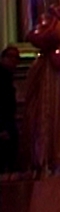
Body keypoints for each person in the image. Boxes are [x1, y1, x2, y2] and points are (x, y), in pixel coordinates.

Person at [0, 46, 21, 179]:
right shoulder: (2, 78)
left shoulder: (7, 76)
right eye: (11, 57)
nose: (14, 61)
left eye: (16, 58)